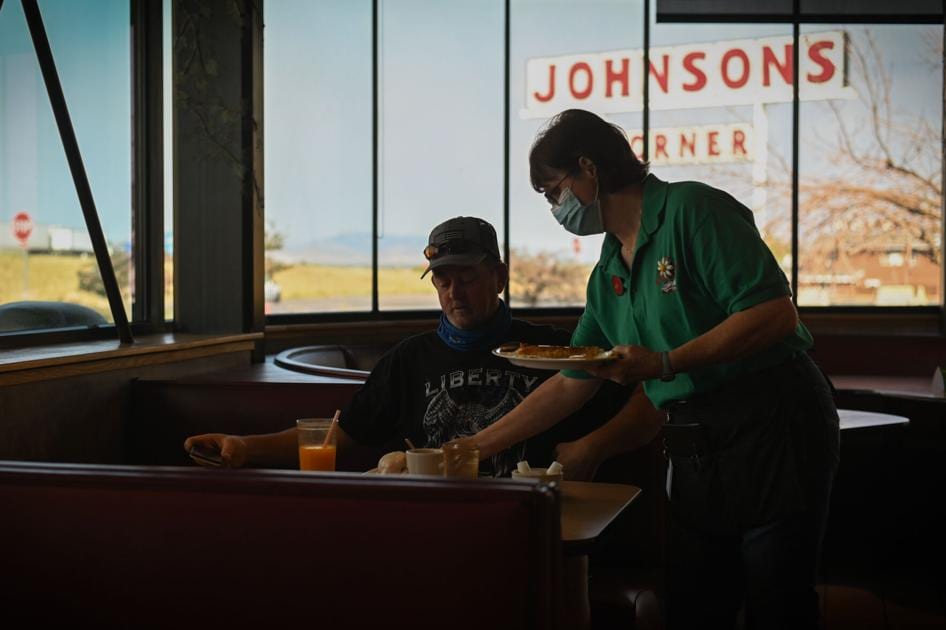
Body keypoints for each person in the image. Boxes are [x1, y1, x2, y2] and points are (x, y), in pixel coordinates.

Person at [465, 109, 840, 629]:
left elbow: (773, 314)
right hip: (694, 444)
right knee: (693, 605)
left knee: (777, 603)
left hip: (771, 421)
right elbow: (575, 378)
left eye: (554, 192)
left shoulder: (693, 210)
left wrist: (665, 362)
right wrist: (472, 447)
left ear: (587, 168)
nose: (556, 207)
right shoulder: (609, 270)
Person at [185, 215, 634, 478]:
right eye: (443, 281)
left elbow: (642, 398)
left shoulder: (556, 350)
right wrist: (244, 447)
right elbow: (343, 435)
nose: (454, 292)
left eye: (468, 279)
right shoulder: (407, 360)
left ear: (499, 278)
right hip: (434, 518)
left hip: (534, 516)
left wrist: (593, 447)